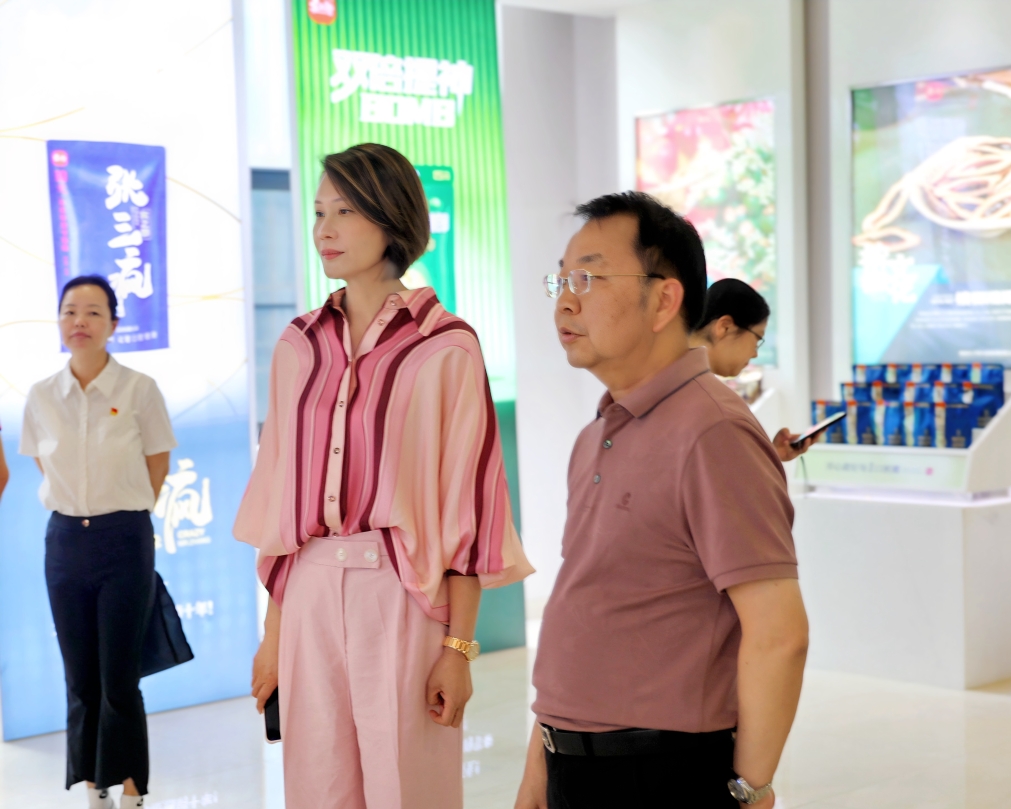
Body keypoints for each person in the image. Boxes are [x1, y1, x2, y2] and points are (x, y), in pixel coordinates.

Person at [235, 143, 533, 809]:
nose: (325, 228)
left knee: (410, 788)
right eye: (319, 212)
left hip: (402, 589)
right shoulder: (298, 345)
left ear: (391, 217)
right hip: (309, 589)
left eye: (345, 210)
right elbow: (283, 506)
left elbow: (469, 506)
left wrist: (458, 647)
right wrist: (274, 636)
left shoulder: (446, 345)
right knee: (317, 788)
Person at [515, 192, 808, 809]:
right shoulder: (596, 434)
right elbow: (587, 607)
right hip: (572, 759)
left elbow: (779, 633)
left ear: (664, 299)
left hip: (659, 771)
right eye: (561, 281)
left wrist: (749, 789)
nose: (564, 301)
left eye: (588, 278)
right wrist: (539, 770)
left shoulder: (714, 431)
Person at [20, 275, 177, 809]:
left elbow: (157, 463)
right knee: (80, 678)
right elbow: (45, 465)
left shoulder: (139, 389)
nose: (79, 322)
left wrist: (124, 513)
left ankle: (131, 790)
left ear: (113, 323)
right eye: (70, 311)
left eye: (92, 312)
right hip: (65, 542)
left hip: (123, 540)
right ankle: (94, 788)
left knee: (120, 678)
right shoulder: (42, 395)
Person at [689, 278, 811, 461]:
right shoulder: (708, 398)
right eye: (757, 339)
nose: (755, 353)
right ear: (725, 327)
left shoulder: (686, 382)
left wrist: (770, 454)